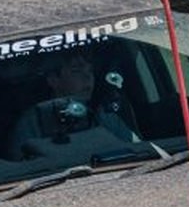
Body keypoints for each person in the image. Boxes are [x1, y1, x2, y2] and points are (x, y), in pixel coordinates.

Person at [7, 51, 138, 159]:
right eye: (76, 71)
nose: (88, 77)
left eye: (90, 70)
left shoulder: (103, 115)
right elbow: (21, 167)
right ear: (53, 80)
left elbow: (136, 148)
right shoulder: (33, 121)